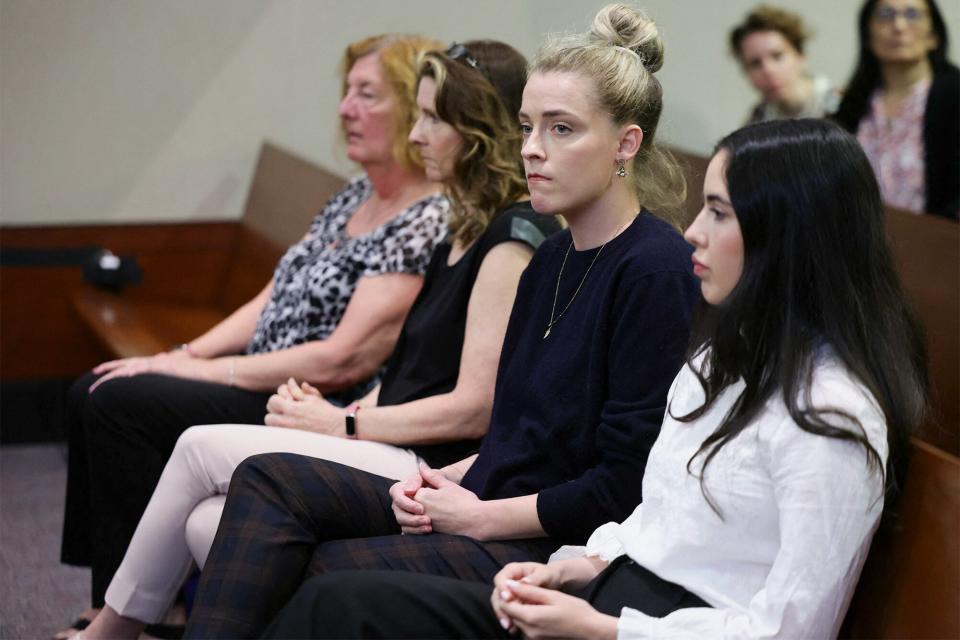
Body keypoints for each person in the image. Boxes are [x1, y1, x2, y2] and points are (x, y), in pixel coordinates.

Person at [264, 118, 931, 640]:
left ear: (788, 238)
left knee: (342, 602)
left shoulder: (833, 419)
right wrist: (572, 565)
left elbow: (790, 630)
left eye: (721, 213)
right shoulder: (723, 359)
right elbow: (658, 518)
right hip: (609, 601)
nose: (694, 232)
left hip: (646, 630)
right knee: (340, 601)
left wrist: (606, 629)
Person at [183, 5, 700, 638]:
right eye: (528, 126)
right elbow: (517, 432)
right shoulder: (552, 257)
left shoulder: (656, 270)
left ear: (626, 143)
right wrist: (439, 479)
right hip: (481, 497)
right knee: (265, 477)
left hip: (546, 548)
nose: (532, 150)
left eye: (562, 129)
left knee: (323, 573)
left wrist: (478, 515)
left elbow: (623, 485)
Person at [74, 38, 563, 640]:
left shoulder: (511, 238)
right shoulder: (463, 226)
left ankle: (110, 633)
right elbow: (410, 364)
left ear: (477, 131)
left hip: (431, 463)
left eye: (434, 119)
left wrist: (343, 425)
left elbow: (473, 406)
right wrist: (346, 411)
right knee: (207, 523)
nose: (416, 136)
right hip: (388, 432)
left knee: (199, 448)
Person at [833, 0, 958, 219]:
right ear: (868, 36)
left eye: (912, 14)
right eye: (885, 14)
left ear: (934, 36)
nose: (898, 26)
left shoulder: (954, 94)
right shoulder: (853, 104)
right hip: (866, 243)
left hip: (940, 243)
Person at [729, 5, 840, 124]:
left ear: (800, 56)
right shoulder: (754, 124)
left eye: (777, 56)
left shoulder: (843, 105)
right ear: (746, 72)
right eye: (755, 63)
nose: (768, 70)